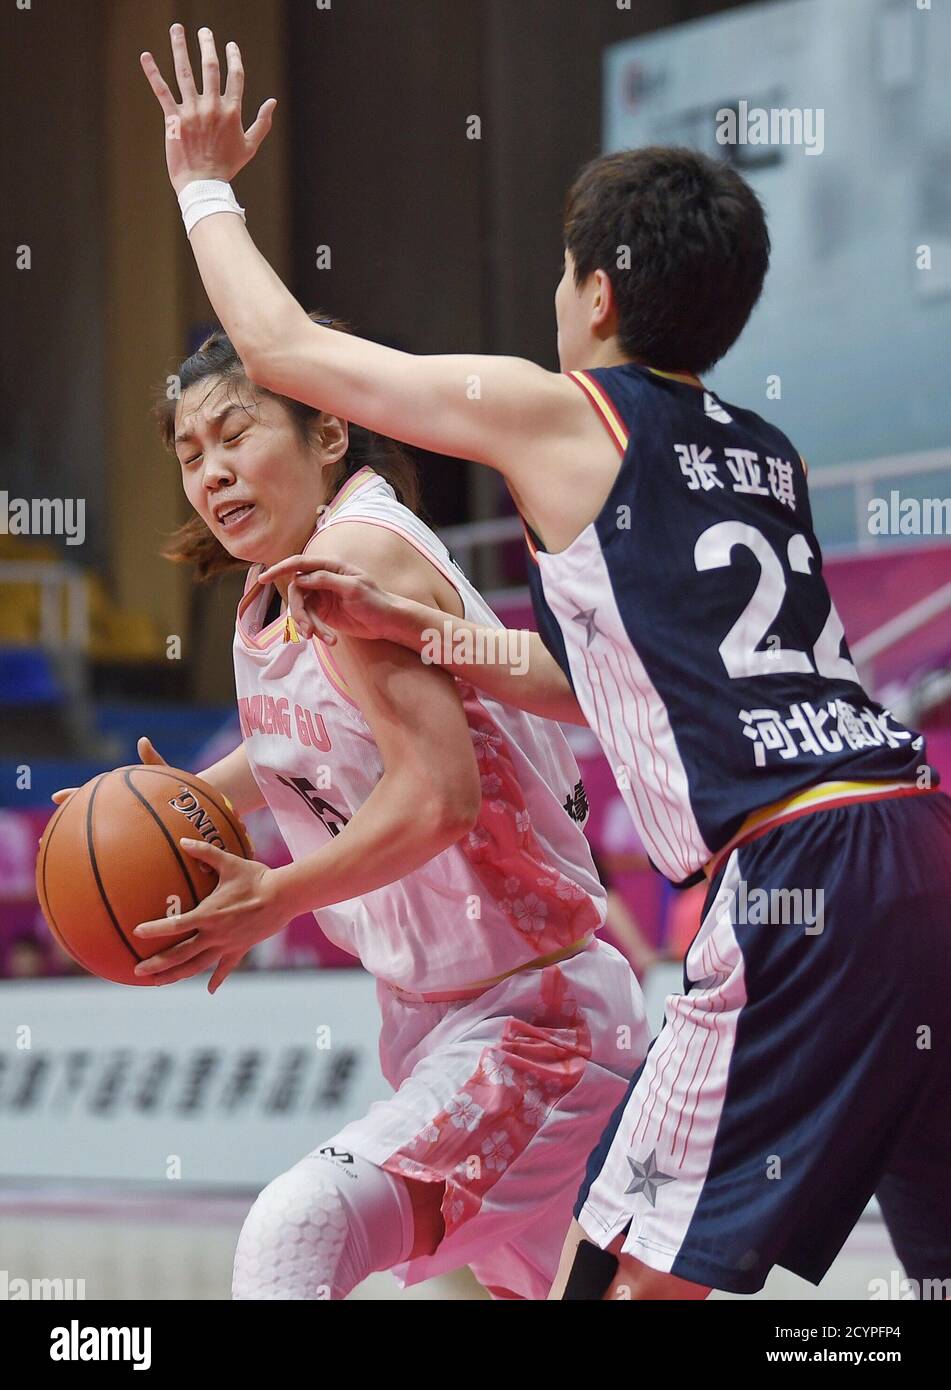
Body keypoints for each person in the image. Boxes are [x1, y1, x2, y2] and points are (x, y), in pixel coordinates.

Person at [140, 26, 951, 1300]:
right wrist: (435, 638)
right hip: (915, 837)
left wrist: (201, 182)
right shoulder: (766, 453)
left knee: (624, 1280)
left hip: (794, 870)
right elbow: (626, 685)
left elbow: (287, 351)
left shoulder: (566, 412)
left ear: (599, 295)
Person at [59, 318, 648, 1301]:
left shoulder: (357, 554)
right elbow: (307, 738)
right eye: (191, 455)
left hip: (534, 1024)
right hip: (457, 1023)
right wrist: (187, 798)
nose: (211, 473)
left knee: (299, 1225)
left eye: (236, 434)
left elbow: (439, 794)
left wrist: (275, 895)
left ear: (328, 433)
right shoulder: (280, 585)